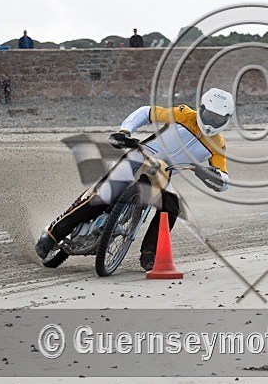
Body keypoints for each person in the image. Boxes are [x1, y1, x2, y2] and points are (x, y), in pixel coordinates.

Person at [35, 88, 235, 271]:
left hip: (162, 173)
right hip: (139, 157)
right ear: (201, 109)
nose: (211, 122)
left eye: (217, 118)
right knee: (104, 195)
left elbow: (224, 179)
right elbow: (146, 113)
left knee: (172, 207)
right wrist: (125, 132)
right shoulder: (183, 114)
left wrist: (211, 175)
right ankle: (52, 234)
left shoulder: (218, 146)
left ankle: (150, 253)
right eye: (209, 115)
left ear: (227, 119)